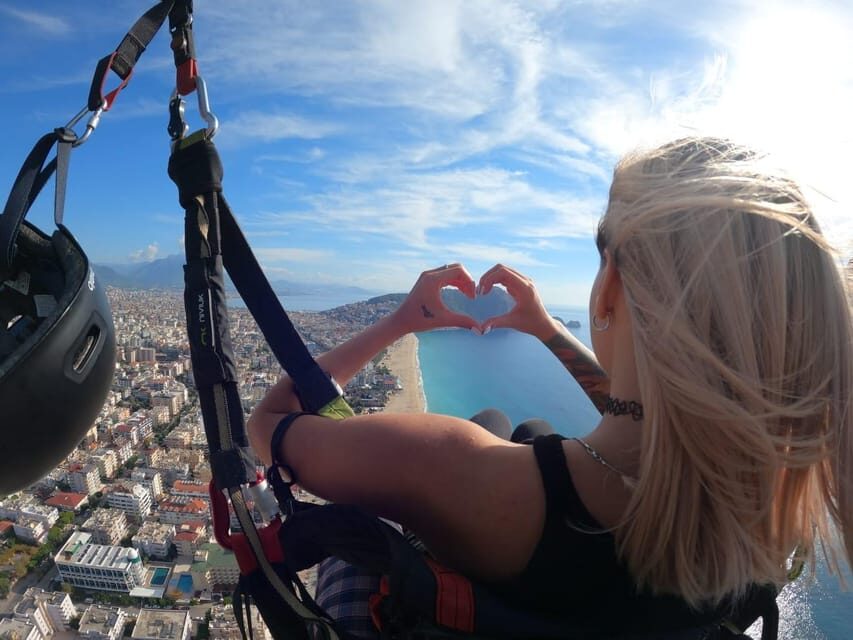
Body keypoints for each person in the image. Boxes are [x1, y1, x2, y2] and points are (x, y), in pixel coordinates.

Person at [247, 137, 853, 636]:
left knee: (493, 425)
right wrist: (545, 330)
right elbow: (655, 412)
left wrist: (400, 322)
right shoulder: (769, 523)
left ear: (610, 286)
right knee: (526, 431)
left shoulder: (457, 469)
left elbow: (269, 424)